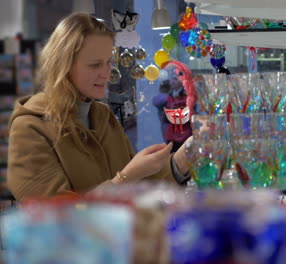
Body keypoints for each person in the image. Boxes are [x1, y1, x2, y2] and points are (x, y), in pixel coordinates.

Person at [7, 13, 191, 202]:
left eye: (108, 62)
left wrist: (183, 158)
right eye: (95, 65)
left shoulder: (102, 116)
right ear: (64, 66)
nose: (106, 73)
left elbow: (139, 190)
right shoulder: (30, 128)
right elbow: (53, 216)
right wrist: (126, 178)